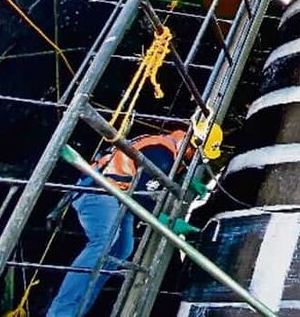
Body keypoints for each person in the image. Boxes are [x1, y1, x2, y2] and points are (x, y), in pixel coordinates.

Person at [46, 125, 196, 317]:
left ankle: (79, 309)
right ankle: (60, 312)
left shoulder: (163, 146)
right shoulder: (163, 153)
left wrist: (186, 181)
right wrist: (168, 222)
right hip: (99, 189)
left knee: (123, 248)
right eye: (194, 154)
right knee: (104, 242)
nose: (192, 159)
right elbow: (143, 197)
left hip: (118, 194)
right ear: (190, 145)